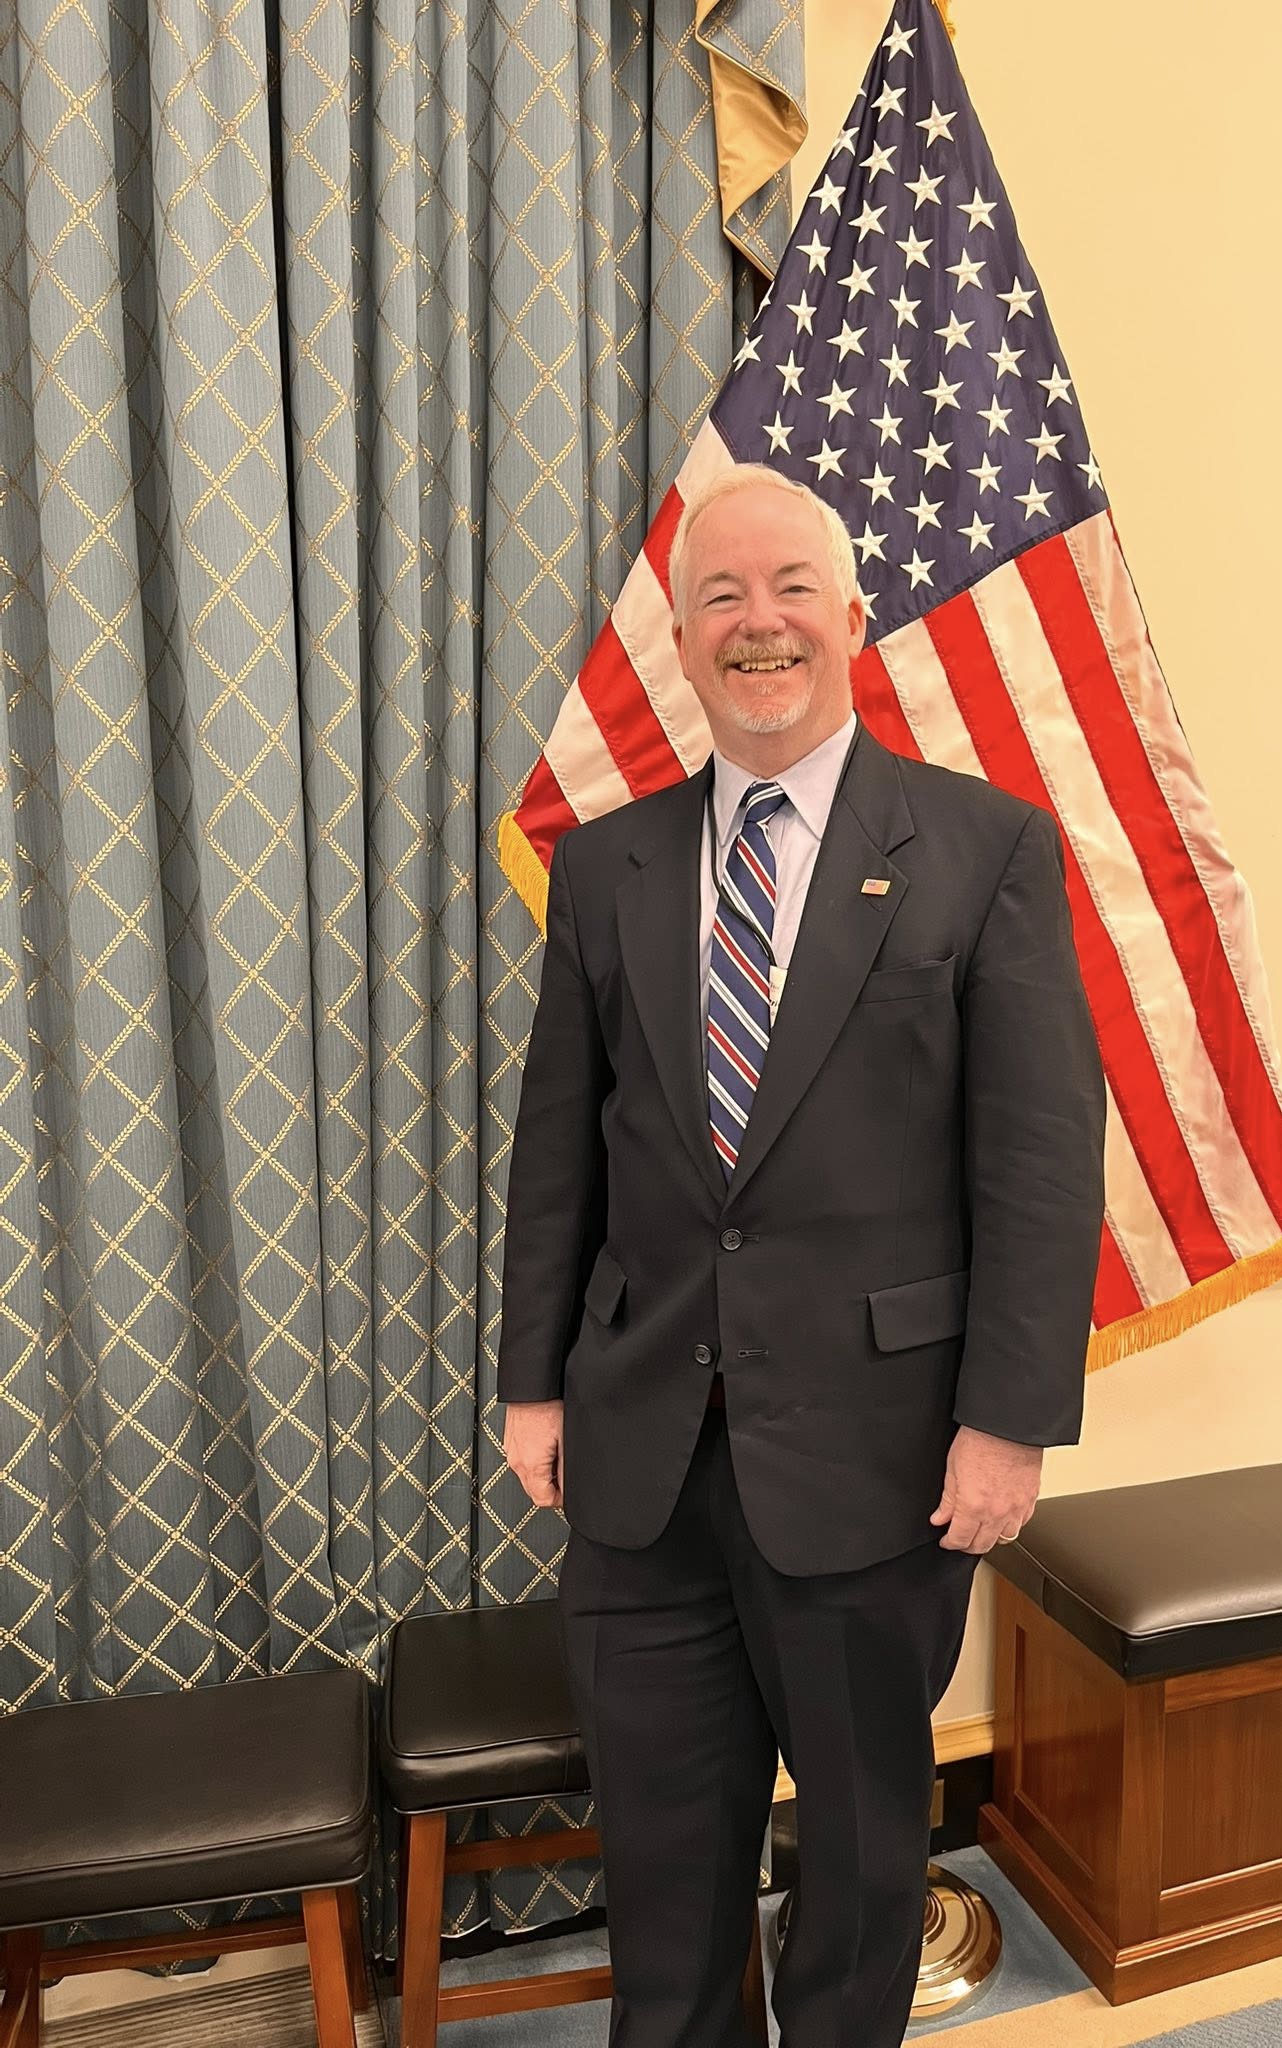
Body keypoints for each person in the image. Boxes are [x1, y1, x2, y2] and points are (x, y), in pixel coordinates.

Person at [499, 465, 1105, 2048]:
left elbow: (1039, 1166)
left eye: (788, 590)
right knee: (665, 1871)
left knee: (855, 1865)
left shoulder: (985, 848)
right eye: (720, 596)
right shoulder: (608, 866)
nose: (756, 623)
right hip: (641, 1460)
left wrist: (1009, 1423)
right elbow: (560, 1153)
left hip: (879, 1461)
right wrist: (531, 1387)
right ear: (681, 639)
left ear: (851, 614)